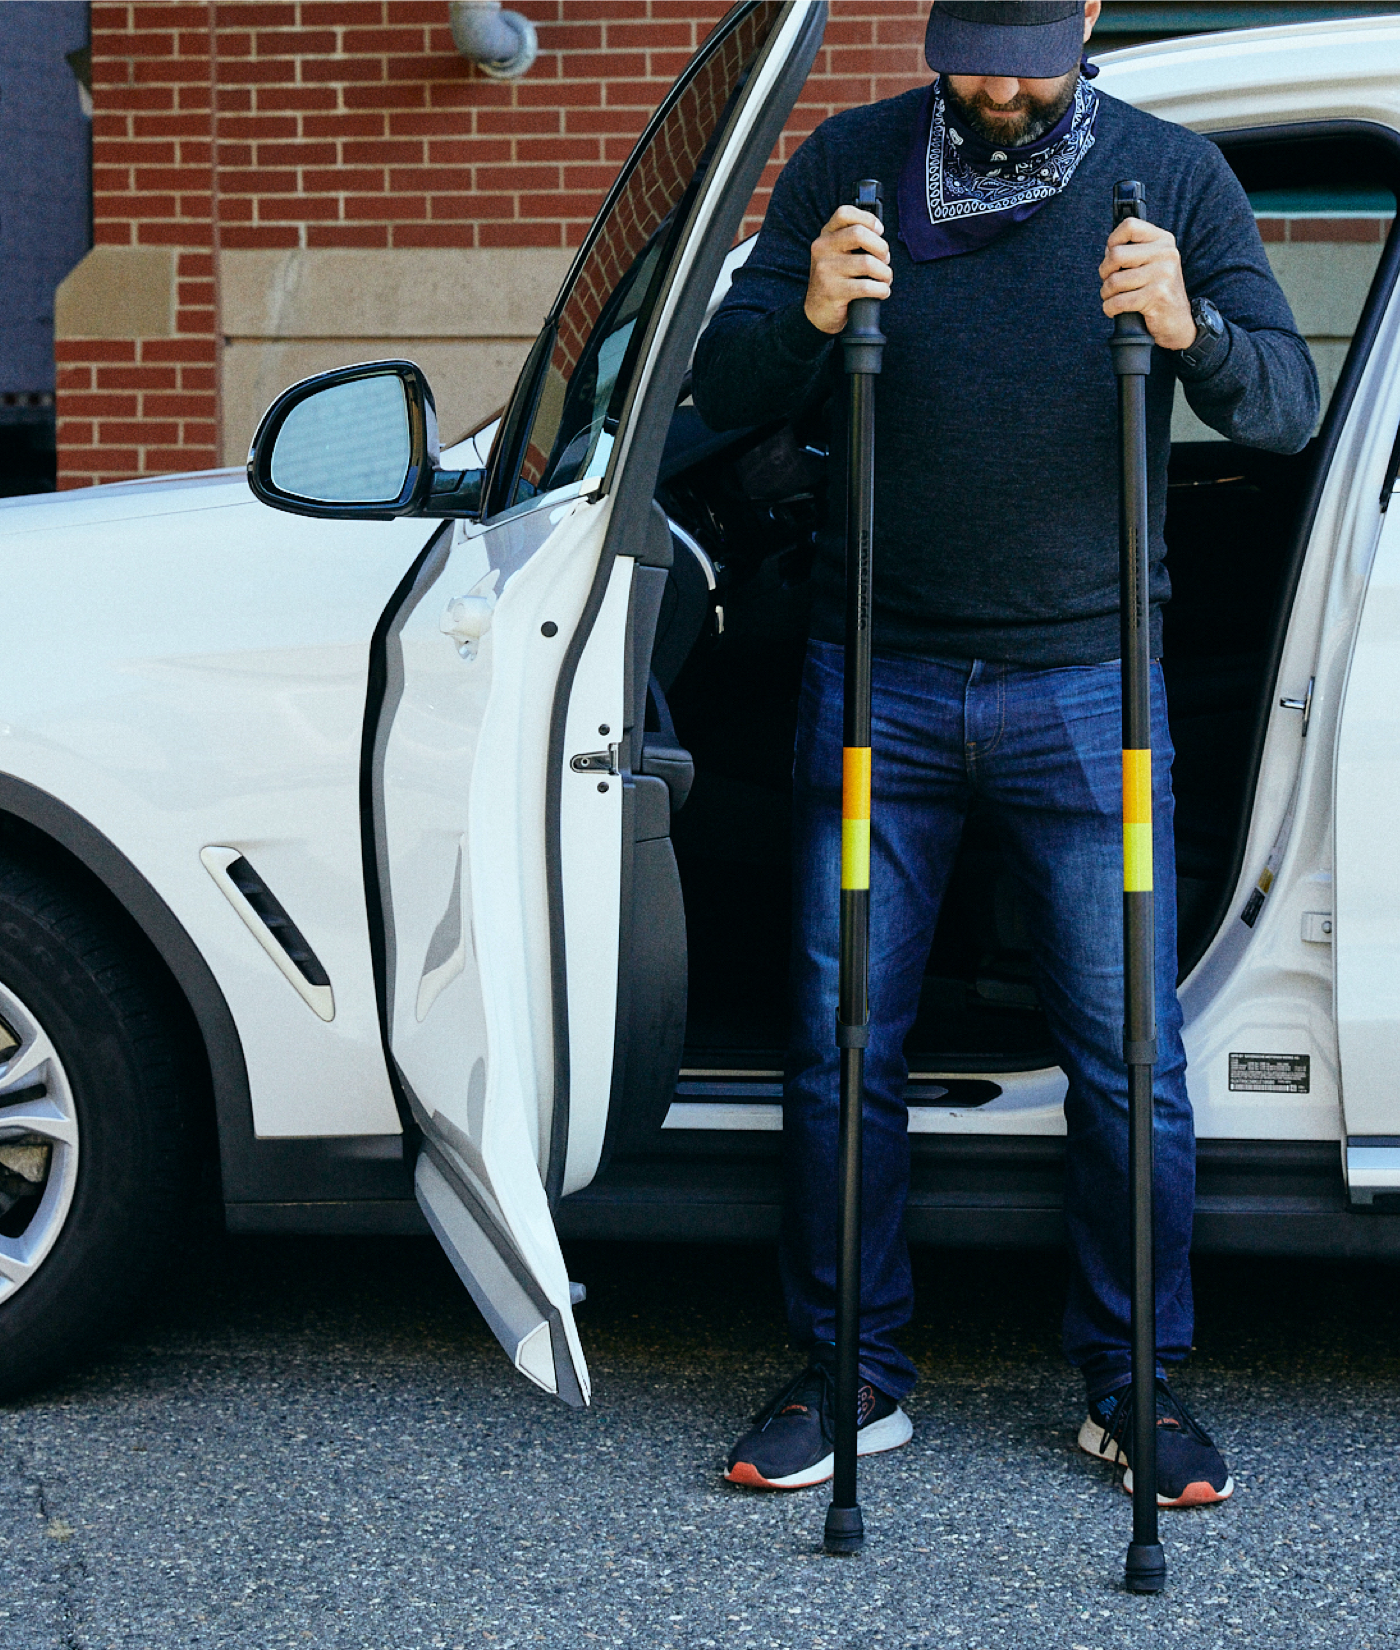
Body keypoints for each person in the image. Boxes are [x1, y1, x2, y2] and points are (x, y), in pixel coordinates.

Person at [691, 0, 1317, 1506]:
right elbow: (723, 384)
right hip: (873, 684)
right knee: (846, 1045)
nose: (1001, 84)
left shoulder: (1174, 180)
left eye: (1033, 51)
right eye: (974, 48)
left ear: (1089, 17)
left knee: (1128, 1063)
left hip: (1092, 694)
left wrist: (1192, 329)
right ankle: (852, 1376)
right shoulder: (850, 160)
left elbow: (1284, 407)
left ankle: (1138, 1386)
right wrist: (812, 318)